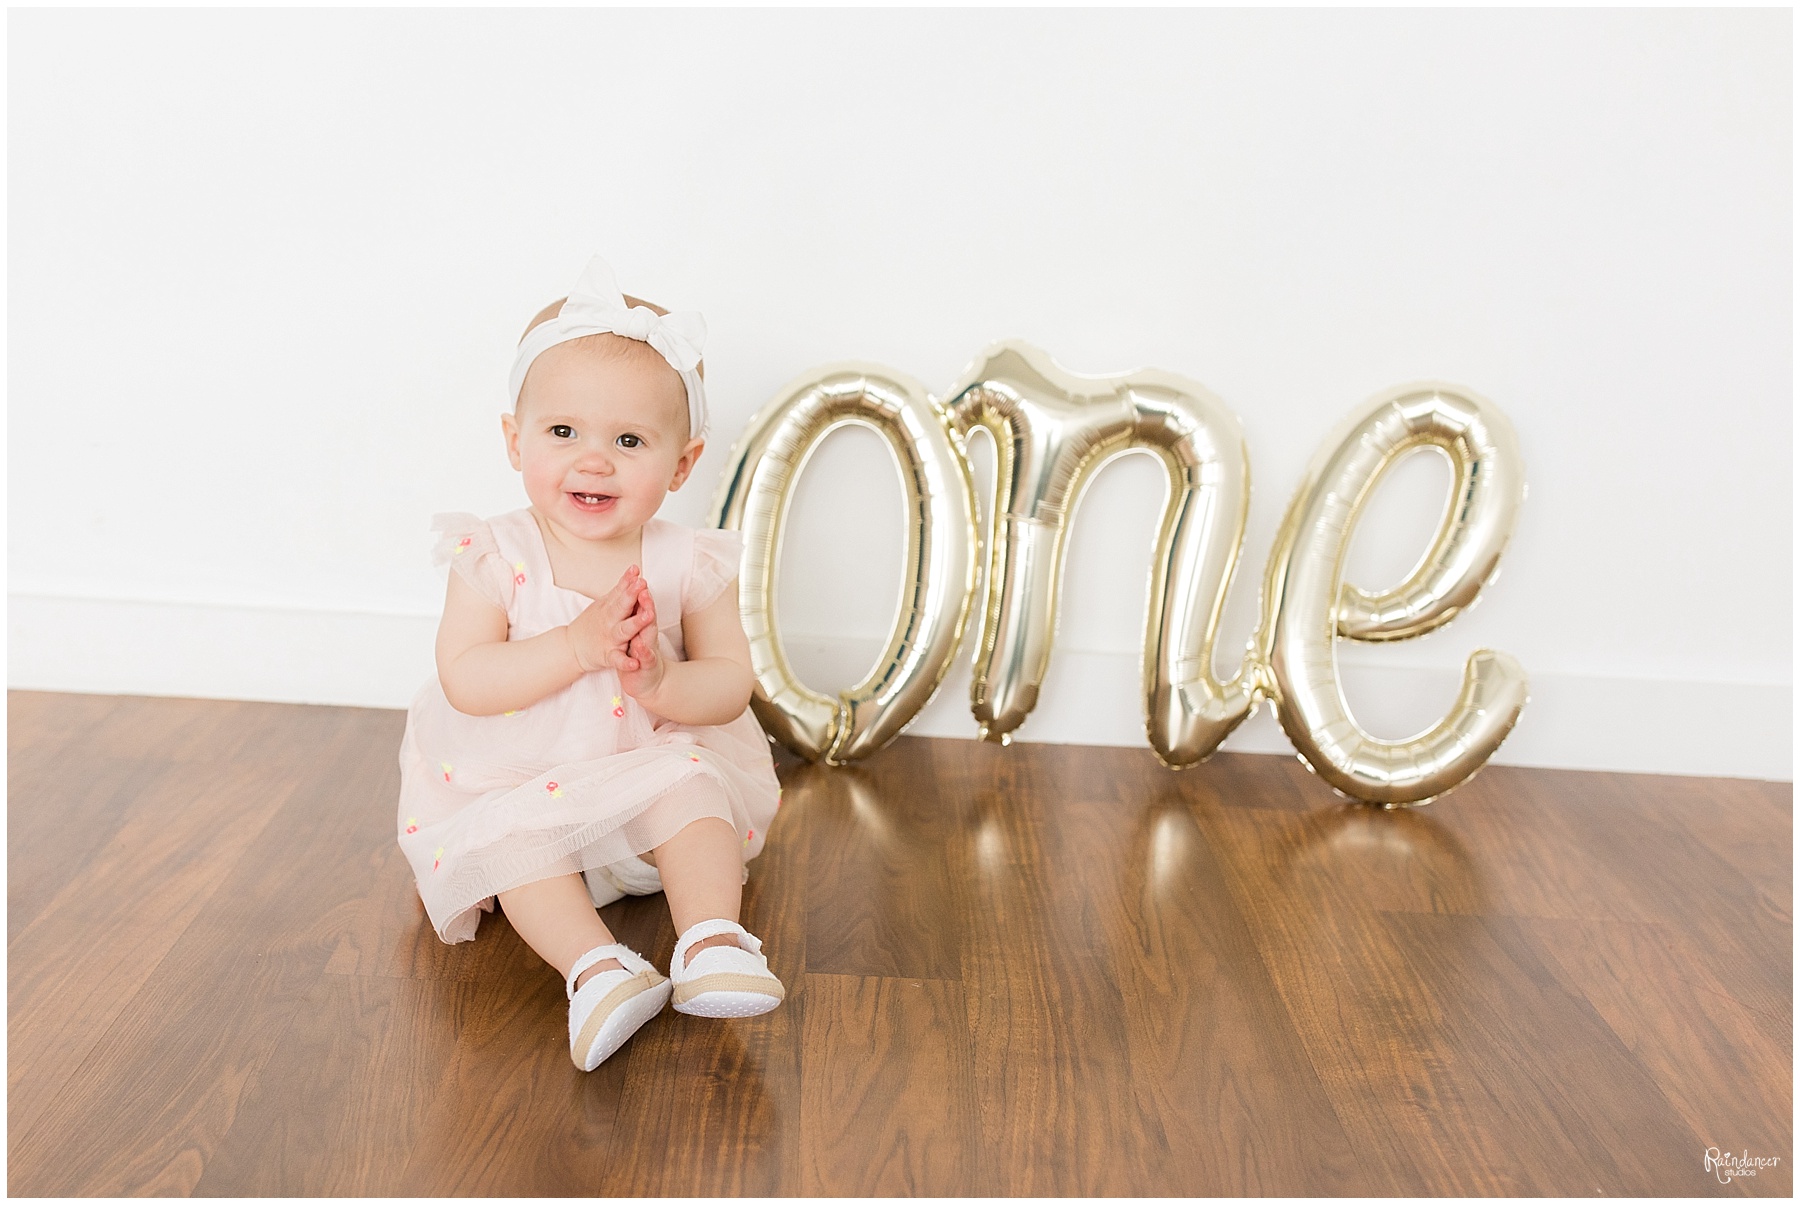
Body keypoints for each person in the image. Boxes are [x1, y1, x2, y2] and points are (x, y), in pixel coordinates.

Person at [396, 255, 784, 1072]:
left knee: (694, 782)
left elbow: (730, 682)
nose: (593, 460)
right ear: (515, 439)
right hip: (522, 781)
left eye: (629, 440)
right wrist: (575, 647)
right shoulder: (496, 554)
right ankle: (597, 969)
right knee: (514, 844)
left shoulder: (687, 561)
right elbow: (466, 677)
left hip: (640, 768)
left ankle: (711, 938)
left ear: (682, 463)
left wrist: (662, 682)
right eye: (563, 431)